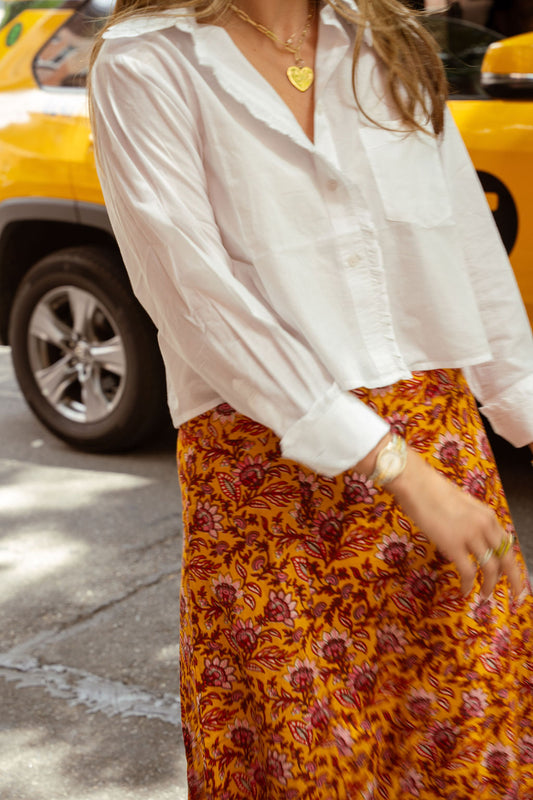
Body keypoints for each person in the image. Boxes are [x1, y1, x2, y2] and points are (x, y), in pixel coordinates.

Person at [89, 1, 533, 797]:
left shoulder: (385, 42)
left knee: (471, 754)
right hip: (266, 480)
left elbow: (469, 253)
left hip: (441, 455)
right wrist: (397, 468)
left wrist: (517, 417)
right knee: (307, 766)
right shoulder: (144, 62)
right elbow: (197, 300)